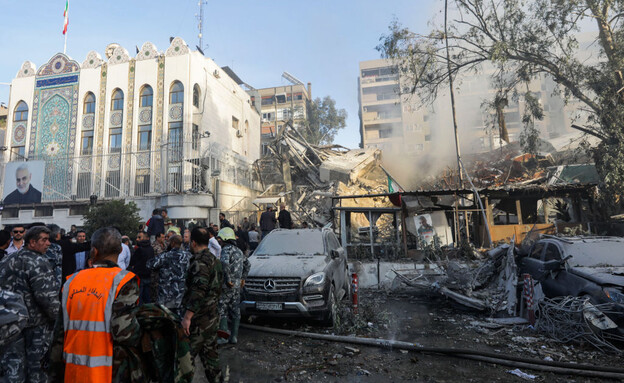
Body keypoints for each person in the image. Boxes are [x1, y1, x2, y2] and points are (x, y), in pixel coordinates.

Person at [48, 227, 141, 383]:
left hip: (73, 370)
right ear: (119, 251)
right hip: (108, 372)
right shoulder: (124, 281)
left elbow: (59, 333)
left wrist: (54, 372)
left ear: (94, 251)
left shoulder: (72, 281)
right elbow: (125, 334)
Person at [0, 226, 59, 383]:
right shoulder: (39, 262)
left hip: (10, 325)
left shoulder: (7, 259)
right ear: (32, 242)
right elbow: (47, 298)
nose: (48, 244)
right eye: (44, 240)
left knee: (12, 369)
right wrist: (58, 321)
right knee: (37, 370)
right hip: (36, 327)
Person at [181, 227, 223, 383]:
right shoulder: (215, 261)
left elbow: (199, 289)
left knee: (184, 360)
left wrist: (187, 317)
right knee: (211, 359)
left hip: (198, 320)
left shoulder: (200, 262)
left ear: (193, 243)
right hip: (212, 317)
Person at [216, 227, 250, 345]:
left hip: (227, 286)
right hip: (236, 287)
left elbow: (224, 264)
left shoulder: (226, 250)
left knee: (222, 309)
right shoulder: (239, 251)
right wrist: (243, 279)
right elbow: (248, 264)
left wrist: (228, 280)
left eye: (220, 239)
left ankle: (223, 337)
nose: (219, 241)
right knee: (235, 310)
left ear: (225, 238)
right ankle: (234, 337)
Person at [146, 235, 191, 317]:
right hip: (182, 295)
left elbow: (150, 264)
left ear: (172, 243)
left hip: (166, 296)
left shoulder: (165, 255)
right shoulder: (188, 256)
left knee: (166, 322)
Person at [129, 231, 155, 304]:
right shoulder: (151, 249)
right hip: (148, 276)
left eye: (139, 237)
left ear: (145, 238)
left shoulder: (139, 249)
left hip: (140, 277)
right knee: (147, 298)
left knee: (139, 299)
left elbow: (132, 262)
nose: (137, 239)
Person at [45, 224, 64, 288]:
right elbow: (58, 265)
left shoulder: (39, 245)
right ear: (57, 234)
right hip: (53, 282)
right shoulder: (57, 247)